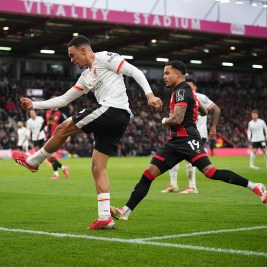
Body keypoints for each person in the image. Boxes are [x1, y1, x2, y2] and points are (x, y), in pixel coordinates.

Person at [12, 35, 162, 230]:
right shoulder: (85, 76)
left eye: (72, 55)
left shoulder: (105, 58)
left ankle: (33, 162)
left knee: (63, 128)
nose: (71, 60)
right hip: (118, 120)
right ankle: (104, 218)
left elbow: (133, 70)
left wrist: (149, 94)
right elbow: (64, 100)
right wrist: (35, 104)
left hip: (113, 110)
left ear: (84, 50)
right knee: (97, 167)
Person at [110, 61, 267, 223]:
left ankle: (255, 185)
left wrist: (165, 120)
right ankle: (126, 211)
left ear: (178, 74)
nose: (164, 77)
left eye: (167, 73)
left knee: (211, 172)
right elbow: (205, 111)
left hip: (187, 140)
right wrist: (193, 107)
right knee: (148, 174)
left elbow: (178, 119)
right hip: (174, 143)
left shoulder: (181, 92)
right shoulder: (188, 91)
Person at [161, 76, 221, 194]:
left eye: (188, 85)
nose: (186, 87)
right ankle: (173, 185)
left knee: (190, 160)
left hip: (197, 133)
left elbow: (216, 109)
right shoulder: (179, 95)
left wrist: (213, 127)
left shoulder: (200, 97)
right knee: (172, 157)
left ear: (194, 87)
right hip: (183, 133)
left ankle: (192, 187)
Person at [41, 107, 69, 179]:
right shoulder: (46, 113)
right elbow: (44, 122)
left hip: (55, 137)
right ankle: (63, 168)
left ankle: (56, 174)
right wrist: (39, 131)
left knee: (51, 156)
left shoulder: (61, 114)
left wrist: (68, 135)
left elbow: (67, 125)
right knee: (50, 157)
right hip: (47, 137)